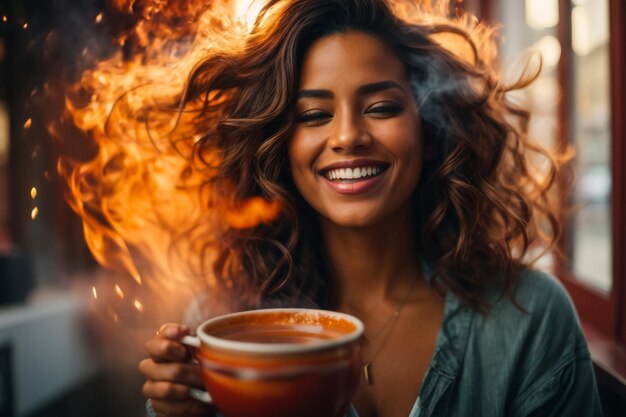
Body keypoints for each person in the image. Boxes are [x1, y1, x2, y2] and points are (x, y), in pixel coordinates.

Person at [138, 0, 604, 416]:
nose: (347, 137)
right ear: (278, 145)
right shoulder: (221, 323)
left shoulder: (530, 317)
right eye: (314, 116)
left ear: (430, 128)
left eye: (381, 107)